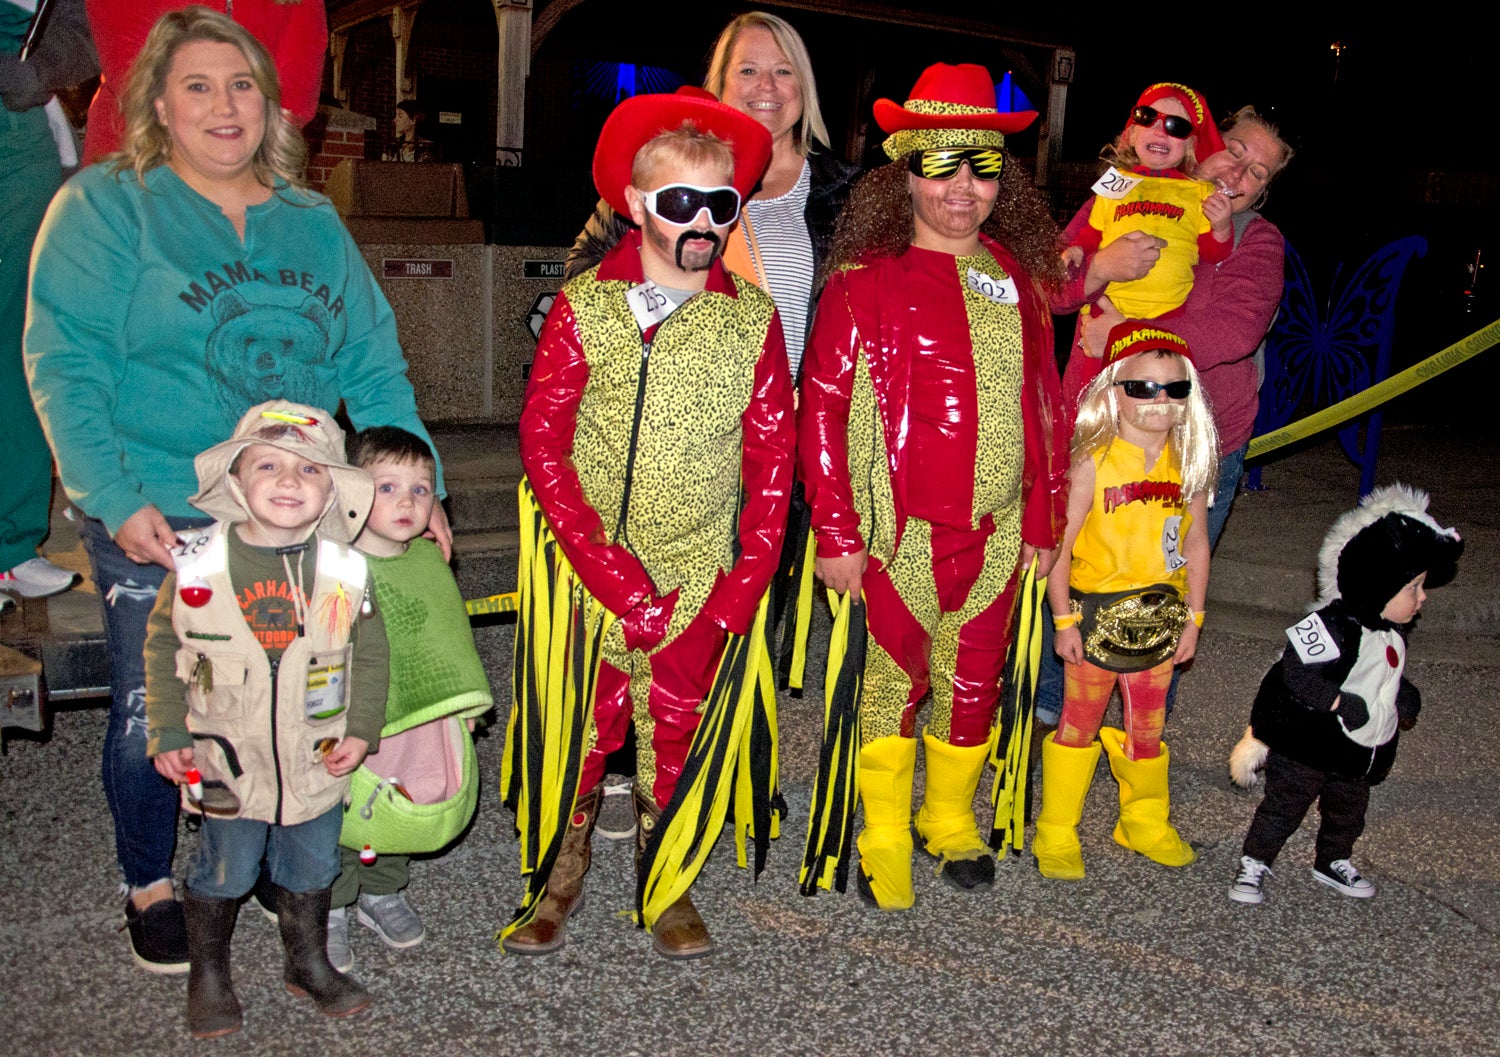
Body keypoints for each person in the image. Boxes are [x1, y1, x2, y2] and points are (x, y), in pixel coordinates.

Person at [24, 7, 447, 974]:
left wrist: (418, 490)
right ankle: (151, 879)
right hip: (163, 500)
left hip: (301, 500)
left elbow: (375, 365)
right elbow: (64, 361)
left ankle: (260, 844)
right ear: (158, 106)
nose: (226, 106)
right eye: (200, 87)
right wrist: (111, 495)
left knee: (299, 689)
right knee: (163, 703)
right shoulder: (103, 207)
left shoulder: (311, 219)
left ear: (273, 103)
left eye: (243, 84)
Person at [504, 88, 792, 958]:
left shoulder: (753, 320)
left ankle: (667, 880)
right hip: (587, 575)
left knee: (679, 728)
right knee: (583, 732)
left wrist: (741, 588)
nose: (701, 221)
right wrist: (610, 577)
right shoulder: (585, 306)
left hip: (700, 571)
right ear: (636, 206)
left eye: (720, 203)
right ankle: (561, 871)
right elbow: (544, 445)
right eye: (678, 202)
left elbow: (773, 469)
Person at [798, 62, 1067, 910]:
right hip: (898, 537)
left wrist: (1045, 518)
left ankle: (948, 815)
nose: (963, 186)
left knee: (976, 679)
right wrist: (837, 533)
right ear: (906, 171)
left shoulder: (1020, 284)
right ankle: (881, 827)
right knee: (892, 681)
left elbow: (1046, 406)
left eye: (983, 166)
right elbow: (824, 413)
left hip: (996, 532)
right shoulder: (860, 285)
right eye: (943, 163)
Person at [1034, 105, 1295, 730]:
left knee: (1166, 574)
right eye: (1234, 149)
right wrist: (1099, 268)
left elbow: (1231, 330)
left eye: (1258, 172)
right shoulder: (1122, 188)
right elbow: (1051, 282)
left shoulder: (1257, 240)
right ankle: (1053, 704)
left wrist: (1121, 329)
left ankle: (1139, 721)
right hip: (1099, 425)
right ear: (1202, 140)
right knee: (1071, 554)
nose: (1238, 173)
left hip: (1200, 438)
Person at [144, 402, 384, 1036]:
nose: (288, 481)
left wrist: (361, 728)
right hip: (226, 755)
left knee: (310, 867)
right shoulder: (195, 564)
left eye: (310, 470)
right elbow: (164, 646)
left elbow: (373, 653)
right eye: (269, 465)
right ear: (236, 481)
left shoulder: (344, 569)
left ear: (331, 491)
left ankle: (307, 961)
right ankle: (210, 973)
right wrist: (167, 731)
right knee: (225, 868)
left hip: (315, 754)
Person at [567, 9, 858, 379]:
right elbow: (583, 274)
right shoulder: (663, 169)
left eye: (783, 71)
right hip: (681, 407)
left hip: (796, 418)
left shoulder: (848, 190)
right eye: (748, 70)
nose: (767, 85)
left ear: (804, 86)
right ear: (720, 83)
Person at [1034, 322, 1216, 880]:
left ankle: (1142, 820)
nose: (1160, 400)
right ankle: (1057, 829)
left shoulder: (1189, 464)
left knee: (1150, 727)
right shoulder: (1091, 461)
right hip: (1093, 617)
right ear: (1113, 390)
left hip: (1162, 617)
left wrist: (1195, 618)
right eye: (1142, 387)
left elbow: (1197, 543)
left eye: (1174, 387)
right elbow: (1059, 549)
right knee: (1078, 724)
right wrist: (1062, 618)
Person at [1227, 484, 1462, 905]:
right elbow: (1293, 672)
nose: (1422, 598)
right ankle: (1254, 862)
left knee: (1348, 813)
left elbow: (1380, 674)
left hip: (1355, 755)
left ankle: (1332, 860)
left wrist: (1404, 695)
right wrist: (1338, 702)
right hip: (1307, 747)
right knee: (1284, 807)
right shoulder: (1329, 624)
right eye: (1414, 588)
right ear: (1380, 585)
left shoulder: (1392, 635)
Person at [326, 426, 491, 972]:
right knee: (344, 810)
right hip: (355, 720)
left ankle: (383, 891)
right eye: (387, 487)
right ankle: (330, 904)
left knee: (406, 796)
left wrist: (460, 702)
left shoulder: (428, 562)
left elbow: (447, 636)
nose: (407, 502)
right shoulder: (333, 567)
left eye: (421, 490)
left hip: (420, 716)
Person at [0, 0, 95, 601]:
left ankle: (9, 544)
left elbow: (87, 23)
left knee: (18, 334)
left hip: (17, 116)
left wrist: (39, 72)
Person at [1061, 83, 1231, 323]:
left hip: (1168, 315)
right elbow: (1093, 232)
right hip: (1105, 305)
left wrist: (1221, 227)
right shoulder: (1114, 183)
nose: (1160, 131)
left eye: (1176, 126)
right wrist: (1077, 247)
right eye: (1147, 117)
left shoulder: (1200, 192)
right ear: (1131, 133)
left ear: (1191, 145)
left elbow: (1213, 254)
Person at [82, 0, 327, 163]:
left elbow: (299, 75)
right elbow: (130, 64)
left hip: (254, 157)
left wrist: (258, 152)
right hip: (139, 152)